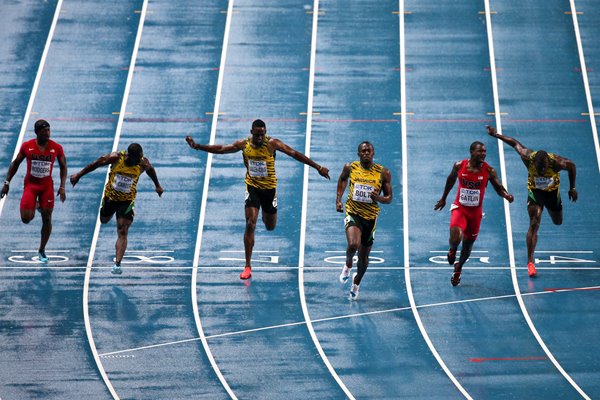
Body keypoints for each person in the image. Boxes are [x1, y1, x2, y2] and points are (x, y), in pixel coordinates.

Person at [185, 119, 330, 280]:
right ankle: (247, 266)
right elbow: (221, 149)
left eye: (263, 134)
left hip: (269, 191)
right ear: (251, 132)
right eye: (257, 134)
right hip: (252, 188)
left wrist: (318, 167)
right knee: (250, 223)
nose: (260, 137)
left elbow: (294, 153)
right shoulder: (244, 145)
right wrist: (198, 146)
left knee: (270, 226)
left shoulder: (272, 144)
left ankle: (264, 213)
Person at [487, 125, 577, 277]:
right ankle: (530, 261)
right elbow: (514, 143)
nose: (542, 171)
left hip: (552, 194)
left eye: (544, 169)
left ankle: (548, 208)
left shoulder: (558, 162)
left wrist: (572, 188)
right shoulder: (527, 156)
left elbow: (572, 167)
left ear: (549, 164)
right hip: (535, 193)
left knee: (558, 221)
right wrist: (496, 134)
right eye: (539, 169)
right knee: (534, 222)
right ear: (533, 162)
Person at [70, 143, 163, 274]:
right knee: (104, 220)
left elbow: (151, 170)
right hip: (110, 199)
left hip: (126, 202)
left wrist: (157, 186)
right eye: (138, 158)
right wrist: (78, 175)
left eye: (141, 157)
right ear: (130, 156)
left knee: (123, 230)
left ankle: (117, 264)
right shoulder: (116, 158)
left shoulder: (142, 163)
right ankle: (107, 215)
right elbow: (95, 164)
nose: (140, 160)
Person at [434, 137, 514, 286]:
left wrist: (506, 195)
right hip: (460, 209)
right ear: (472, 152)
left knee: (468, 246)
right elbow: (450, 180)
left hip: (475, 214)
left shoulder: (489, 170)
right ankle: (452, 249)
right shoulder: (460, 166)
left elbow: (498, 187)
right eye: (480, 151)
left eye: (485, 152)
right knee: (456, 236)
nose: (483, 154)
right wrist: (443, 198)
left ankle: (459, 268)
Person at [1, 119, 67, 263]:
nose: (47, 134)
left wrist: (62, 187)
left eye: (48, 130)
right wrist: (7, 183)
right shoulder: (27, 146)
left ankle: (42, 250)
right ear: (37, 132)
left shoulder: (56, 147)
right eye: (44, 131)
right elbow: (15, 163)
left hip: (46, 187)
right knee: (26, 219)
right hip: (31, 186)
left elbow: (63, 166)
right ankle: (37, 205)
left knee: (47, 218)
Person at [336, 141, 392, 300]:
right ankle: (347, 264)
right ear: (358, 154)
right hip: (353, 212)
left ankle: (357, 282)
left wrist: (379, 198)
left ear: (373, 153)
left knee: (364, 258)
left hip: (370, 218)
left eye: (369, 151)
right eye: (363, 151)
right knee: (353, 244)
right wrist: (338, 200)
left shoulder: (383, 173)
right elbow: (342, 180)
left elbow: (389, 198)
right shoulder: (350, 167)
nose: (366, 153)